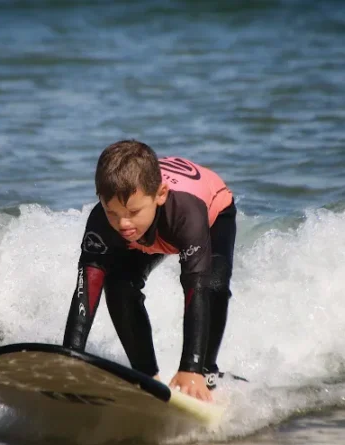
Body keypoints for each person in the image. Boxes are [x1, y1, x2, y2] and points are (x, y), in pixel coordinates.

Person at [62, 139, 236, 402]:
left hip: (212, 214)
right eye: (112, 212)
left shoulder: (186, 214)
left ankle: (205, 374)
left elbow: (196, 288)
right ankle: (146, 377)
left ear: (160, 195)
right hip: (154, 226)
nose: (123, 223)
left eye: (133, 211)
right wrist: (70, 356)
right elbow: (86, 289)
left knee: (213, 286)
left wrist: (191, 367)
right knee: (119, 284)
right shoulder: (104, 220)